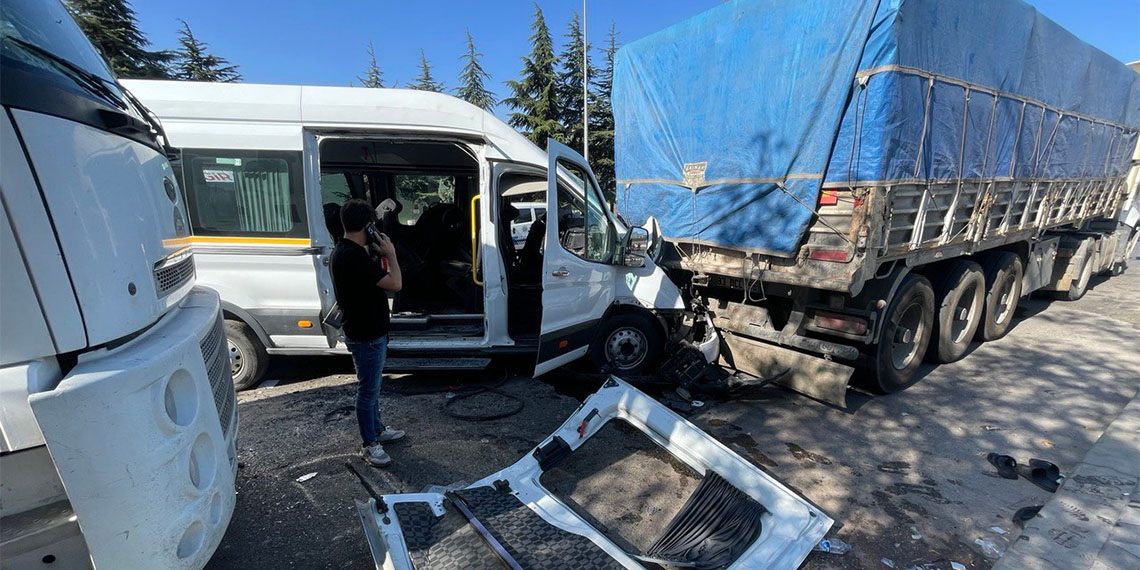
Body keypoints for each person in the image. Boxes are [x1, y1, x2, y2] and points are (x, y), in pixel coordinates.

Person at [330, 199, 405, 467]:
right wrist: (391, 254)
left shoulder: (347, 250)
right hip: (366, 335)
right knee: (368, 391)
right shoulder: (352, 256)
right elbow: (395, 284)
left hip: (367, 331)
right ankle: (369, 443)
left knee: (372, 387)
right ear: (368, 226)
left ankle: (377, 430)